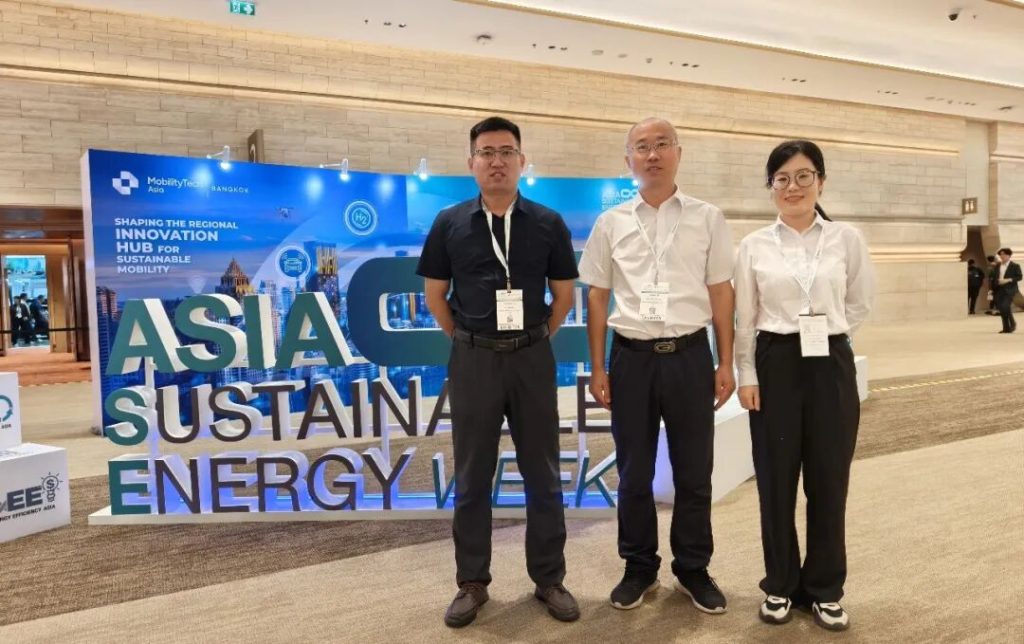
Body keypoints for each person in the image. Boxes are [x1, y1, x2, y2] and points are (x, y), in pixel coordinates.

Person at [417, 116, 580, 628]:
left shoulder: (548, 222)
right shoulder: (448, 223)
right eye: (486, 153)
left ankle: (549, 578)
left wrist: (536, 336)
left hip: (531, 357)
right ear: (471, 163)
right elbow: (435, 296)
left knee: (543, 474)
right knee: (471, 476)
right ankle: (472, 582)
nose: (497, 161)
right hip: (474, 361)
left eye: (507, 152)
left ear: (522, 161)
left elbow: (564, 295)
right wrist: (470, 341)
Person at [578, 117, 736, 614]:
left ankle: (693, 567)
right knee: (633, 472)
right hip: (631, 358)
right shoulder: (611, 223)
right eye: (642, 147)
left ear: (678, 153)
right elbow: (597, 298)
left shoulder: (708, 218)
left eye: (662, 144)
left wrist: (725, 361)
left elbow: (721, 293)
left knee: (694, 471)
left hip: (690, 356)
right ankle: (638, 566)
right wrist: (598, 368)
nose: (652, 155)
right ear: (628, 159)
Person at [734, 140, 875, 632]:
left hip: (829, 361)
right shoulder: (753, 245)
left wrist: (831, 333)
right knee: (775, 480)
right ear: (770, 186)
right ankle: (779, 584)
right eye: (782, 179)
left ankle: (825, 589)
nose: (792, 187)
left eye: (803, 176)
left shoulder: (845, 238)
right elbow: (745, 317)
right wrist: (747, 374)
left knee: (828, 480)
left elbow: (859, 301)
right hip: (775, 361)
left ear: (821, 180)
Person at [994, 247, 1021, 333]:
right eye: (1001, 254)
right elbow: (994, 278)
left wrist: (1008, 280)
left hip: (1010, 290)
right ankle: (1006, 328)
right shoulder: (997, 266)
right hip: (999, 289)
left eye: (1004, 254)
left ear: (1009, 255)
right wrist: (991, 289)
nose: (1002, 256)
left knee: (1005, 306)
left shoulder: (1015, 266)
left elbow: (1019, 277)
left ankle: (1012, 324)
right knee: (1002, 308)